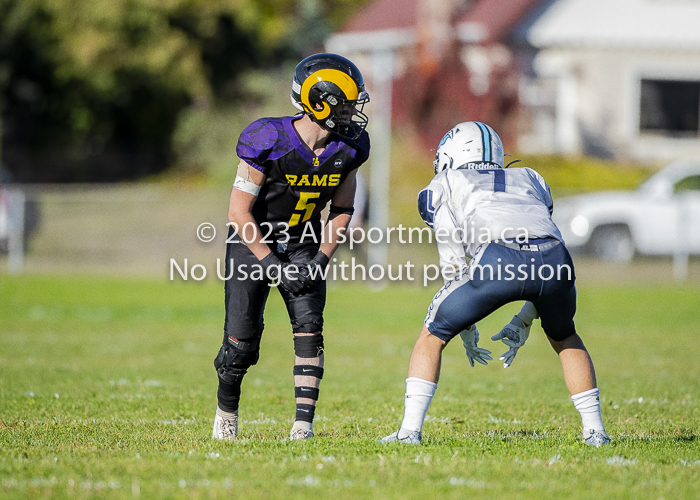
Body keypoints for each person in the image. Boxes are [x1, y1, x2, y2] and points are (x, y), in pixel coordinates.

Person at [378, 121, 609, 446]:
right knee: (565, 336)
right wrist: (526, 318)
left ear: (451, 153)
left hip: (499, 258)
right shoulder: (531, 177)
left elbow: (452, 256)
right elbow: (541, 242)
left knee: (432, 334)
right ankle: (595, 432)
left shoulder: (445, 181)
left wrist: (464, 323)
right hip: (557, 260)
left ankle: (409, 432)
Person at [212, 53, 370, 441]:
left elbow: (344, 208)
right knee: (240, 344)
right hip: (254, 244)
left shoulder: (348, 148)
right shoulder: (268, 139)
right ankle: (226, 414)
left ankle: (303, 426)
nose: (353, 113)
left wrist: (321, 259)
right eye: (347, 104)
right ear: (322, 103)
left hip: (303, 244)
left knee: (310, 330)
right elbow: (238, 211)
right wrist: (271, 263)